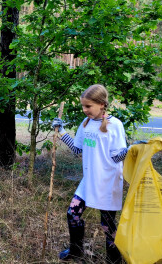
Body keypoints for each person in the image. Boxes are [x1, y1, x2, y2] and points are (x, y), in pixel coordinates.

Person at [52, 84, 130, 263]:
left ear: (102, 104)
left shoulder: (115, 125)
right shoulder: (85, 123)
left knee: (107, 225)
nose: (84, 109)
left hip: (108, 182)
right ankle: (75, 250)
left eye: (88, 106)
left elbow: (117, 157)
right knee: (73, 213)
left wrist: (131, 149)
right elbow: (77, 150)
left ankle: (114, 259)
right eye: (83, 106)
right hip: (89, 180)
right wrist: (62, 131)